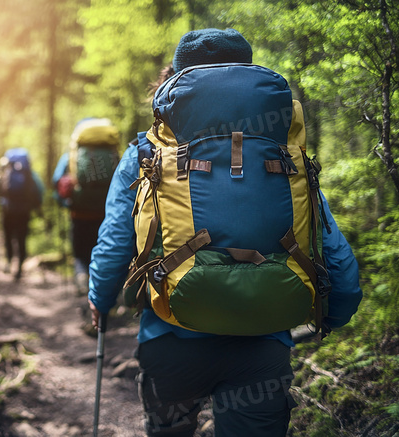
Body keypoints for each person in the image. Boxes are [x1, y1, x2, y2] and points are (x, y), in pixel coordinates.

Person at [88, 28, 362, 436]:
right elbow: (329, 244)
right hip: (262, 344)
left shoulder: (145, 153)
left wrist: (100, 297)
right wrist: (337, 309)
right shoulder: (286, 156)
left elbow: (115, 240)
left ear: (177, 83)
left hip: (171, 337)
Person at [52, 118, 120, 295]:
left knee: (81, 255)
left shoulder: (71, 156)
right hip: (106, 214)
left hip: (79, 214)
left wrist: (67, 204)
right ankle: (104, 292)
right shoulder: (112, 153)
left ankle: (83, 281)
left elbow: (56, 183)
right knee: (103, 252)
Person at [0, 148, 45, 280]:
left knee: (8, 235)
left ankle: (9, 261)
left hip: (7, 210)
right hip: (24, 210)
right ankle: (20, 266)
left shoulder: (2, 173)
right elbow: (39, 190)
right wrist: (38, 209)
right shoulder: (30, 175)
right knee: (22, 237)